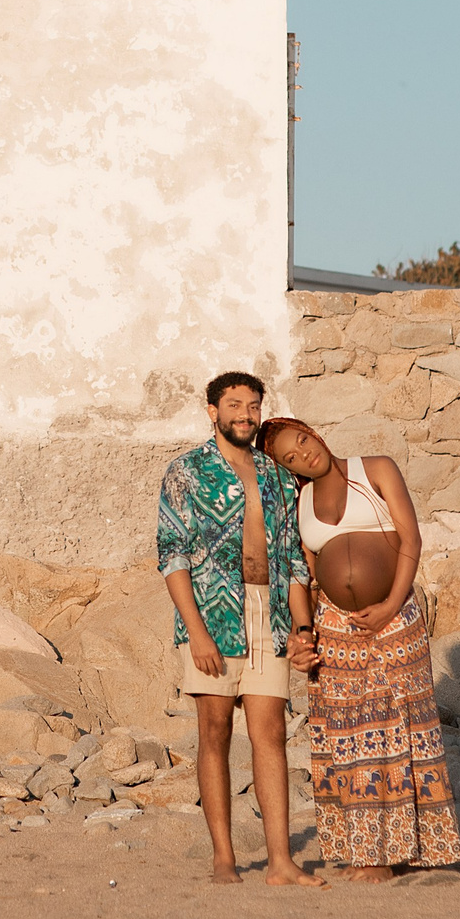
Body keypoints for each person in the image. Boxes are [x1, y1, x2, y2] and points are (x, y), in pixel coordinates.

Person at [256, 415, 460, 881]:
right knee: (351, 737)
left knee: (401, 730)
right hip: (335, 627)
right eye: (291, 457)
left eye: (303, 441)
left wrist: (391, 604)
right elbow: (303, 575)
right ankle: (369, 852)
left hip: (395, 619)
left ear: (316, 433)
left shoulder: (375, 470)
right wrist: (303, 634)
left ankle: (402, 850)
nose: (304, 454)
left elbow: (411, 538)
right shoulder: (300, 502)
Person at [155, 371, 325, 887]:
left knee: (270, 734)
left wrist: (301, 627)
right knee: (214, 731)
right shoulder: (186, 471)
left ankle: (280, 861)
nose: (245, 415)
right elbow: (172, 555)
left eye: (253, 406)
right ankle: (224, 858)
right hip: (212, 613)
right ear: (212, 410)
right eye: (234, 405)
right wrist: (197, 633)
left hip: (268, 613)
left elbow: (295, 561)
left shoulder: (278, 476)